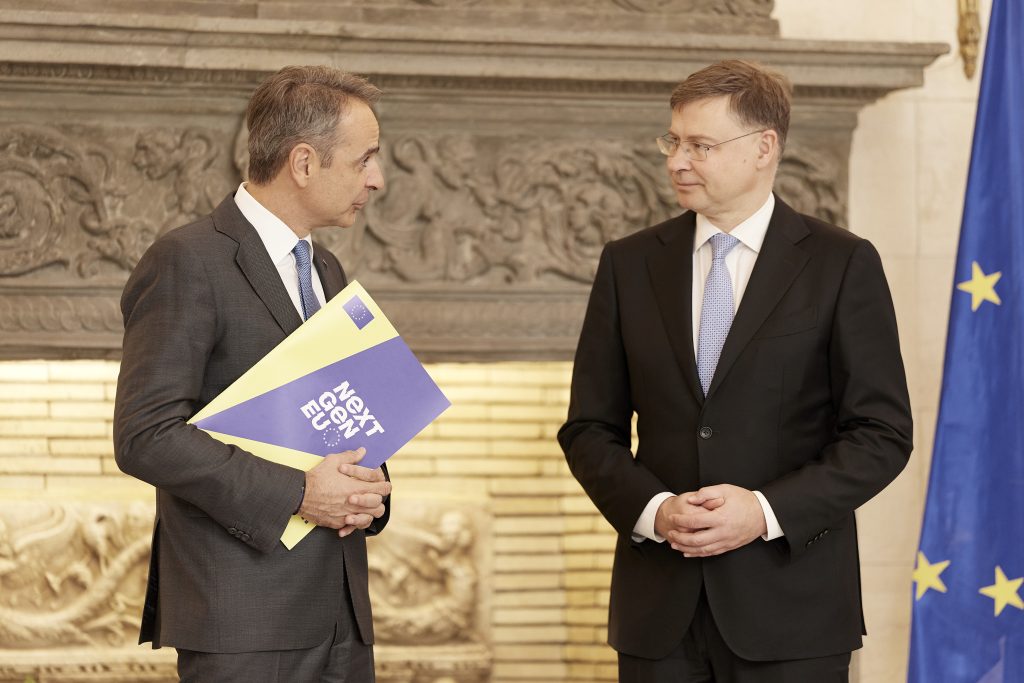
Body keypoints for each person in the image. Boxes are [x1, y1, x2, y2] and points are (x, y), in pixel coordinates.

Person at [558, 59, 913, 682]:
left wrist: (765, 510)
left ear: (763, 148)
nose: (677, 161)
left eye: (700, 145)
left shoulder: (842, 263)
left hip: (794, 613)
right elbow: (589, 428)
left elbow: (881, 434)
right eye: (673, 141)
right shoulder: (628, 264)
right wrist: (654, 510)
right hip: (657, 617)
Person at [114, 65, 392, 682]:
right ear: (303, 163)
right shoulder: (186, 260)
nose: (377, 179)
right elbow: (145, 435)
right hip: (242, 623)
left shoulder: (326, 269)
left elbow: (338, 418)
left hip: (343, 622)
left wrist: (367, 487)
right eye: (365, 159)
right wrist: (299, 493)